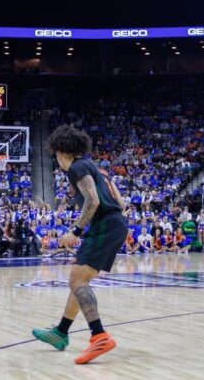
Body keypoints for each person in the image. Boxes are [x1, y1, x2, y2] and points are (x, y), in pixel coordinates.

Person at [32, 125, 129, 365]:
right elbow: (122, 203)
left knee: (77, 281)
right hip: (114, 223)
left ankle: (99, 336)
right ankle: (61, 332)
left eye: (56, 155)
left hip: (105, 224)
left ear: (62, 151)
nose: (57, 161)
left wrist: (75, 231)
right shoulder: (99, 170)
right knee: (78, 280)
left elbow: (93, 201)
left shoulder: (77, 167)